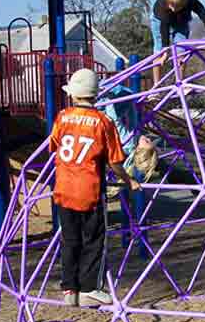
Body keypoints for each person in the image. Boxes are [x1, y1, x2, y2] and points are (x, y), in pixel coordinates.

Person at [51, 69, 139, 307]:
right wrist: (129, 180)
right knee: (95, 240)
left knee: (70, 240)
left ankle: (69, 289)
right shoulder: (103, 121)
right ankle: (89, 289)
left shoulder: (62, 117)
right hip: (89, 191)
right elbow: (115, 161)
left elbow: (55, 145)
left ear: (74, 95)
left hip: (63, 189)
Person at [151, 0, 205, 84]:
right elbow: (164, 28)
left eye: (176, 6)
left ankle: (179, 82)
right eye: (171, 5)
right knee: (159, 50)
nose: (172, 9)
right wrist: (165, 51)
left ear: (184, 3)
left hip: (181, 21)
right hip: (159, 21)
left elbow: (204, 16)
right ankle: (156, 86)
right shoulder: (162, 5)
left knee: (182, 49)